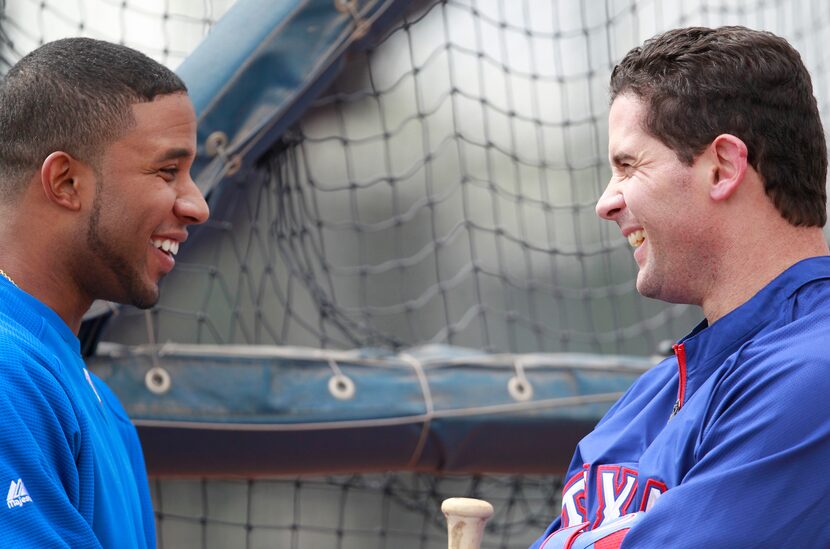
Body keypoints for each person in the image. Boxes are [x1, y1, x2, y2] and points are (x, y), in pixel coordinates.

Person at [531, 26, 830, 548]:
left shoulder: (815, 371)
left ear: (722, 168)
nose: (606, 202)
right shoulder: (646, 398)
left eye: (628, 166)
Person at [0, 38, 209, 546]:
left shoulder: (98, 401)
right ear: (66, 181)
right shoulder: (9, 372)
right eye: (167, 171)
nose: (197, 205)